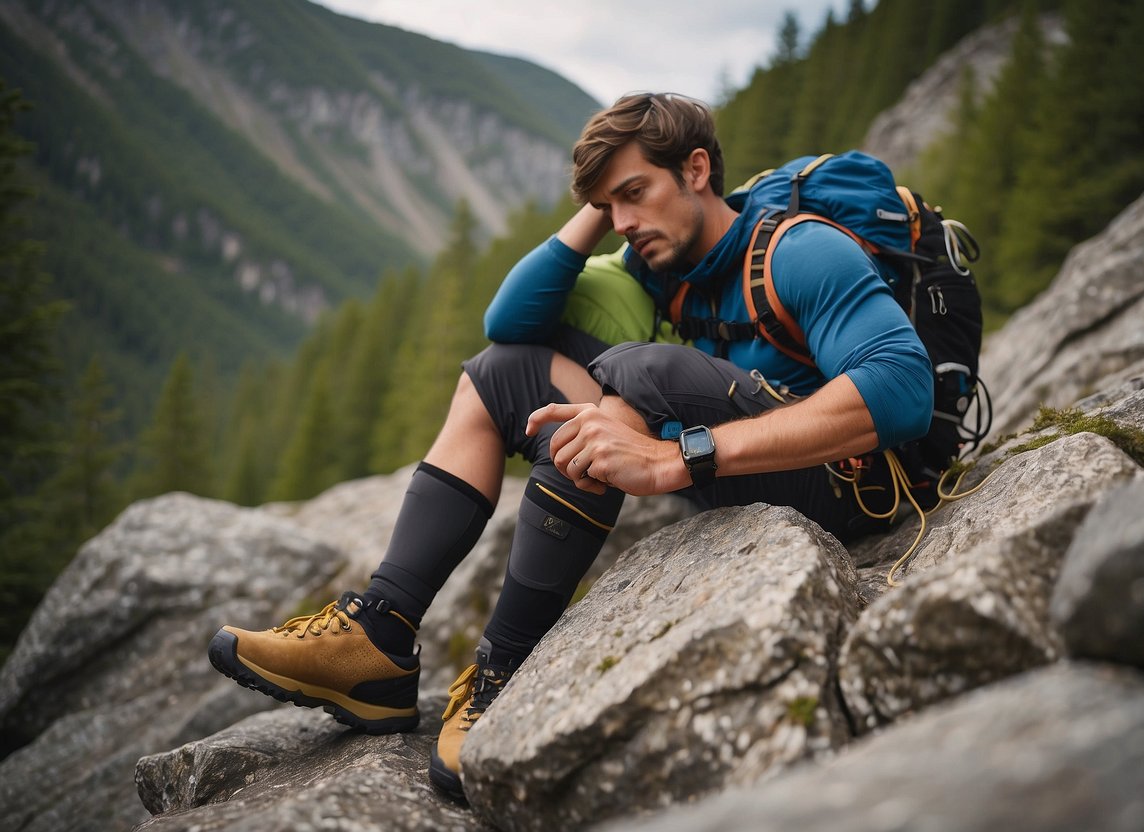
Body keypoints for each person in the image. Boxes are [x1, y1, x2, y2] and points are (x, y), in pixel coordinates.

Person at [208, 93, 932, 799]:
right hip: (740, 453)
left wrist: (679, 457)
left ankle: (502, 669)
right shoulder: (660, 262)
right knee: (498, 375)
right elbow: (509, 318)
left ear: (698, 169)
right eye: (607, 207)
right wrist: (602, 206)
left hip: (852, 485)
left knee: (637, 372)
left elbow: (902, 388)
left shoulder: (798, 252)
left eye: (635, 192)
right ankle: (379, 636)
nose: (623, 222)